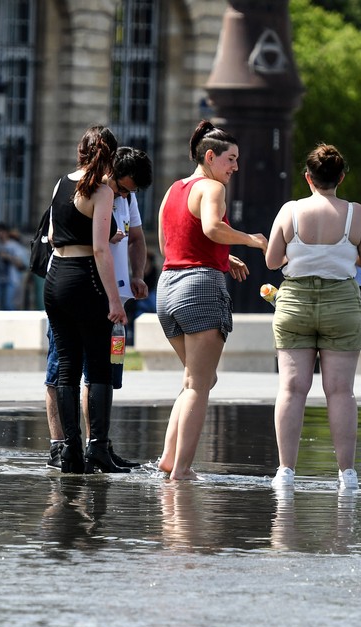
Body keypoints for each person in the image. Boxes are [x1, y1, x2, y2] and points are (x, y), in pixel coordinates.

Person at [155, 120, 267, 480]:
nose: (235, 167)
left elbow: (169, 245)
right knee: (199, 385)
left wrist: (221, 256)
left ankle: (169, 460)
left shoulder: (173, 189)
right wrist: (250, 240)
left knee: (193, 380)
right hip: (200, 288)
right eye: (231, 159)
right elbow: (210, 228)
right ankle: (183, 470)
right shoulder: (213, 188)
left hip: (168, 288)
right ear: (210, 157)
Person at [264, 144, 361, 492]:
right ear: (341, 177)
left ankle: (286, 472)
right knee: (341, 391)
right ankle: (347, 474)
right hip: (342, 304)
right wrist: (341, 253)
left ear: (308, 178)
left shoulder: (291, 211)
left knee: (292, 388)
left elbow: (272, 261)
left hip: (295, 302)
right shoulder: (354, 214)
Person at [44, 140, 153, 470]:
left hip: (56, 281)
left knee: (67, 367)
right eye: (123, 188)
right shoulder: (103, 192)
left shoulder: (62, 183)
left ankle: (70, 450)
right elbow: (100, 250)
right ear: (110, 162)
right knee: (100, 368)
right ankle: (97, 448)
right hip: (86, 280)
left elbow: (51, 235)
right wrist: (115, 300)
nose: (123, 195)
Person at [0, 223, 30, 310]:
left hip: (11, 279)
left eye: (1, 231)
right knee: (1, 305)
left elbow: (22, 264)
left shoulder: (15, 246)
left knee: (9, 304)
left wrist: (7, 257)